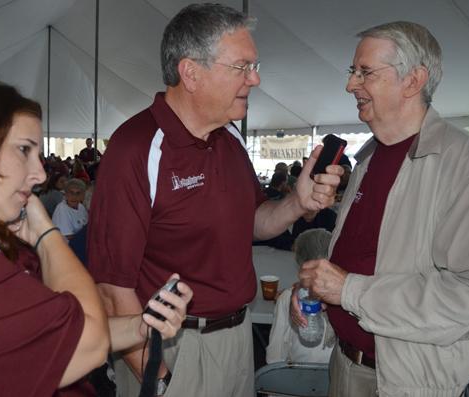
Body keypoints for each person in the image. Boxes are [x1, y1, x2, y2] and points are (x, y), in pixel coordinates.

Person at [87, 4, 341, 397]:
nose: (255, 79)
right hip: (172, 348)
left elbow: (254, 222)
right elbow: (111, 289)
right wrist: (160, 382)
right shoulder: (136, 149)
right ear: (190, 72)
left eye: (256, 66)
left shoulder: (231, 137)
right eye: (242, 66)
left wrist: (297, 203)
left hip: (237, 340)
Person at [0, 77, 193, 396]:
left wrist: (139, 326)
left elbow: (44, 335)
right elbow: (86, 345)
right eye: (24, 149)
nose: (39, 174)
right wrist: (46, 234)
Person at [294, 21, 469, 397]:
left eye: (365, 72)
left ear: (413, 81)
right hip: (346, 365)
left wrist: (350, 291)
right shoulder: (369, 158)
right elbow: (371, 255)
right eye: (352, 72)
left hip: (408, 383)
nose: (351, 85)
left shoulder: (461, 164)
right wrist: (320, 293)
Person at [266, 228, 335, 364]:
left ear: (300, 263)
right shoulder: (345, 296)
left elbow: (274, 354)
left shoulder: (288, 298)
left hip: (296, 377)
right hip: (336, 375)